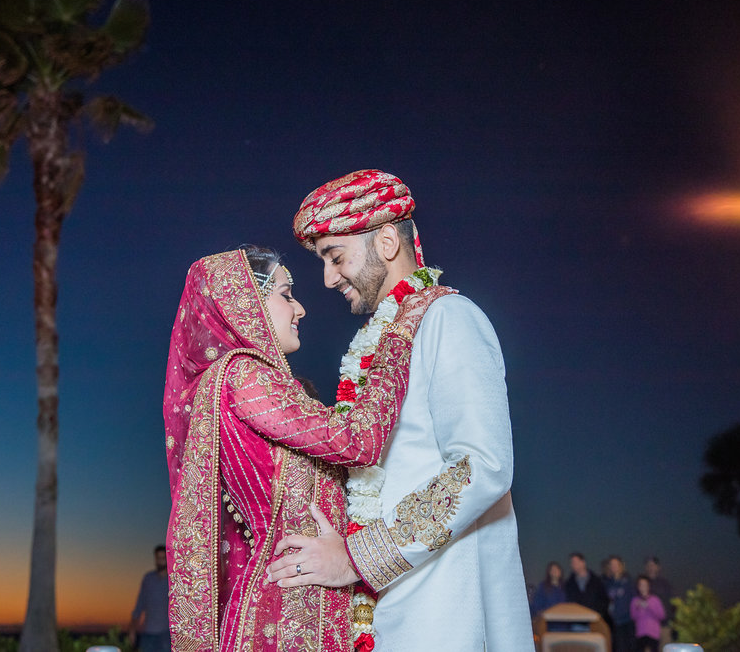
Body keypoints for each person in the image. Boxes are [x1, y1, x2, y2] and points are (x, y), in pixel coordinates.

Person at [268, 169, 534, 651]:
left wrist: (355, 559)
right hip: (392, 604)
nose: (327, 279)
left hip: (448, 608)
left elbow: (482, 467)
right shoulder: (385, 340)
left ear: (388, 241)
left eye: (336, 256)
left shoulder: (449, 319)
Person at [164, 247, 432, 652]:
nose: (301, 308)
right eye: (286, 295)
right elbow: (358, 443)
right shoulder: (243, 377)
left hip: (312, 597)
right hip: (283, 615)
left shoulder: (258, 383)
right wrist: (399, 332)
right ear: (245, 304)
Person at [129, 545, 170, 652]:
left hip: (167, 634)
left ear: (168, 558)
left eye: (163, 558)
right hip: (148, 633)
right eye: (158, 558)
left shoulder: (173, 580)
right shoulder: (148, 578)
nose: (160, 561)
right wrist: (132, 629)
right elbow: (139, 605)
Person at [603, 556, 634, 652]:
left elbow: (634, 600)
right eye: (612, 565)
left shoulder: (629, 582)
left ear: (621, 566)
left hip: (628, 621)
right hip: (615, 623)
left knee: (630, 647)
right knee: (618, 648)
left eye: (616, 564)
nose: (614, 567)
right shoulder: (607, 583)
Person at [565, 553, 610, 618]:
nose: (573, 565)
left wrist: (598, 613)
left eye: (575, 562)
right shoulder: (569, 584)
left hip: (593, 620)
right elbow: (567, 602)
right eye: (572, 563)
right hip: (576, 620)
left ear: (583, 562)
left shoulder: (597, 581)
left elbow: (604, 600)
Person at [643, 555, 674, 646]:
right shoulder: (641, 584)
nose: (651, 568)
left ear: (658, 567)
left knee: (665, 648)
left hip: (664, 626)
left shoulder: (665, 584)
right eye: (648, 565)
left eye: (653, 565)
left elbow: (672, 605)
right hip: (647, 628)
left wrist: (673, 624)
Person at [630, 575, 665, 652]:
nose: (643, 587)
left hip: (653, 633)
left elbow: (661, 615)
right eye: (640, 585)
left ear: (649, 586)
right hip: (640, 633)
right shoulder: (635, 600)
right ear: (638, 587)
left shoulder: (655, 599)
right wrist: (637, 608)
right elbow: (633, 617)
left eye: (645, 585)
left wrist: (648, 606)